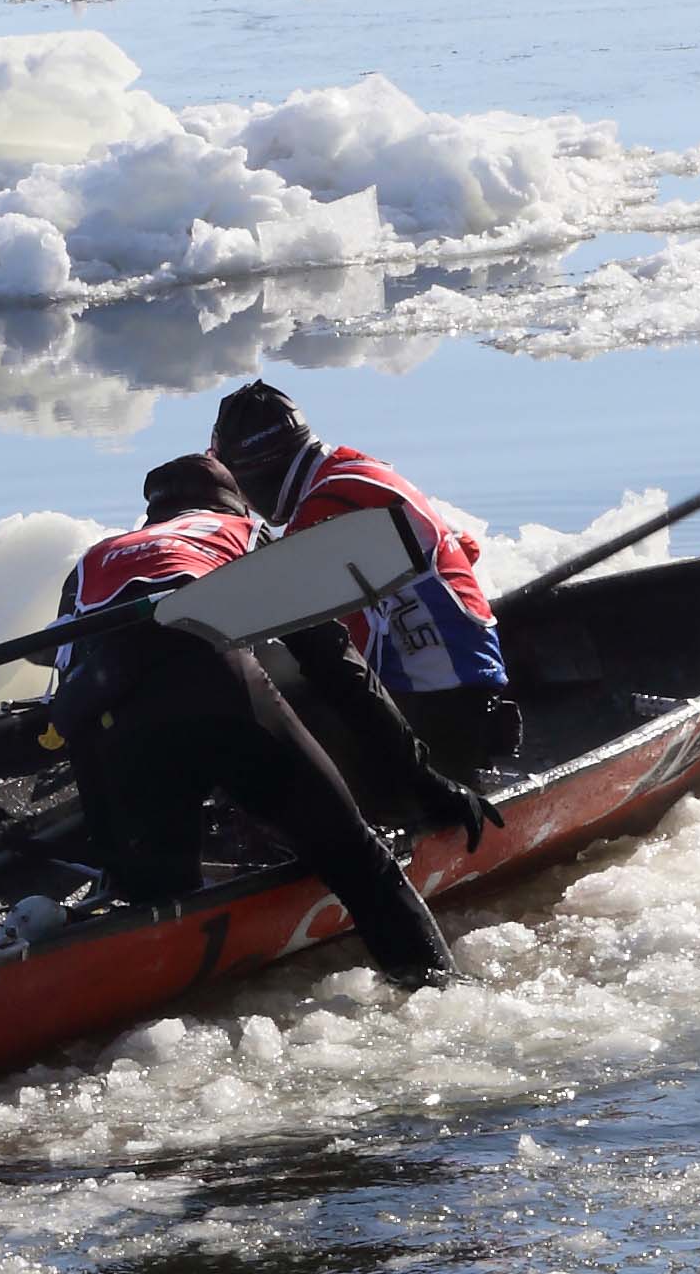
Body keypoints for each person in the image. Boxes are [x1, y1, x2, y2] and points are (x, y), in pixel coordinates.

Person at [53, 456, 455, 991]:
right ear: (234, 502)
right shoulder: (243, 532)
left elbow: (71, 711)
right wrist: (422, 779)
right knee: (360, 863)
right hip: (219, 688)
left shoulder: (91, 563)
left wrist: (110, 847)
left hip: (120, 718)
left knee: (162, 901)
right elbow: (338, 669)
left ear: (150, 516)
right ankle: (435, 994)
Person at [207, 380, 525, 779]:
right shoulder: (357, 469)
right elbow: (467, 547)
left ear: (255, 473)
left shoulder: (321, 514)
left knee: (277, 723)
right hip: (472, 680)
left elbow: (342, 652)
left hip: (435, 704)